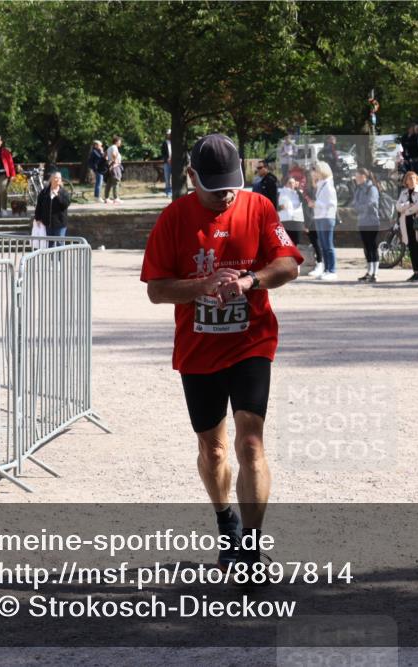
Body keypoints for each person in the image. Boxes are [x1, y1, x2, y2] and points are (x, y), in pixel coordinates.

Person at [140, 133, 303, 568]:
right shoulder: (173, 219)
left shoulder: (258, 208)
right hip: (198, 351)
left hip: (252, 341)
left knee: (250, 444)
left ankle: (250, 546)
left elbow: (288, 264)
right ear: (191, 177)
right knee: (213, 449)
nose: (227, 193)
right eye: (215, 188)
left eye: (232, 183)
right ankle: (225, 520)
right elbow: (156, 291)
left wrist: (250, 281)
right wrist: (202, 286)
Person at [308, 160, 338, 281]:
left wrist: (316, 204)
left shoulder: (328, 185)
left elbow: (331, 203)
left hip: (327, 217)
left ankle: (332, 270)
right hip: (320, 217)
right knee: (323, 245)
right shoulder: (322, 184)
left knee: (328, 245)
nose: (315, 173)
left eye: (317, 171)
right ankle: (327, 269)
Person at [395, 170, 418, 282]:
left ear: (417, 180)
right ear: (406, 181)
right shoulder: (404, 192)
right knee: (412, 247)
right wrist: (408, 205)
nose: (411, 180)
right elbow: (398, 207)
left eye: (414, 178)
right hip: (407, 222)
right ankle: (415, 272)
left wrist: (406, 210)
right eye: (409, 178)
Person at [350, 168, 381, 282]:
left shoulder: (371, 188)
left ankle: (375, 273)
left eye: (357, 176)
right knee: (366, 247)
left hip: (372, 222)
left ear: (364, 176)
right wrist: (359, 207)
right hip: (362, 221)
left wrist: (359, 207)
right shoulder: (358, 189)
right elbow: (354, 203)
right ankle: (369, 271)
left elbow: (370, 204)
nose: (356, 178)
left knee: (373, 246)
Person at [34, 171, 72, 245]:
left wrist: (57, 196)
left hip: (60, 224)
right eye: (56, 178)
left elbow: (66, 204)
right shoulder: (44, 192)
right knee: (50, 244)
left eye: (59, 178)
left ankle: (60, 257)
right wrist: (38, 218)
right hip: (48, 223)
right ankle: (51, 257)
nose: (58, 180)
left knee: (59, 244)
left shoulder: (64, 192)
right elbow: (39, 206)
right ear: (51, 179)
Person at [276, 175, 305, 247]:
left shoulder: (298, 192)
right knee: (285, 244)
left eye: (293, 183)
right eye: (290, 183)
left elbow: (305, 203)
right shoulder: (279, 192)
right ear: (285, 183)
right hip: (284, 221)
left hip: (297, 221)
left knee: (296, 244)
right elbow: (272, 207)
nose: (292, 185)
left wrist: (298, 189)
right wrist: (280, 207)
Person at [104, 136, 123, 204]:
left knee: (109, 183)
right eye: (120, 141)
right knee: (116, 182)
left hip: (110, 166)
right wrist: (115, 161)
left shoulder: (109, 147)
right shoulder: (114, 147)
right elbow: (114, 154)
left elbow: (105, 155)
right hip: (115, 166)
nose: (120, 143)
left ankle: (106, 198)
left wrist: (108, 161)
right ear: (116, 141)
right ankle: (116, 198)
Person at [161, 130, 173, 198]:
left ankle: (173, 191)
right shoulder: (165, 143)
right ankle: (168, 192)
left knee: (174, 178)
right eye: (168, 134)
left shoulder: (175, 142)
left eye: (170, 134)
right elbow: (163, 153)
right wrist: (167, 159)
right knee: (167, 177)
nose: (169, 135)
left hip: (174, 163)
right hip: (167, 163)